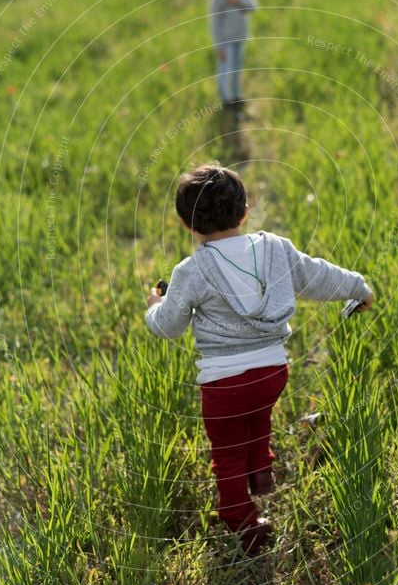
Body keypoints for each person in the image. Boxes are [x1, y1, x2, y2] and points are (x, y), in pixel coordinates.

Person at [145, 164, 374, 555]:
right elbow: (319, 276)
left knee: (227, 453)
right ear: (245, 210)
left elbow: (168, 326)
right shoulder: (276, 250)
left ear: (188, 224)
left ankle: (242, 520)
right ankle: (261, 471)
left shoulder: (191, 270)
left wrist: (155, 306)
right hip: (272, 373)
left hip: (223, 383)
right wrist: (359, 287)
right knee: (258, 417)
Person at [208, 0, 257, 113]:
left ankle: (236, 96)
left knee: (237, 69)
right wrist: (218, 46)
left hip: (239, 38)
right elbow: (214, 24)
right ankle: (227, 99)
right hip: (226, 42)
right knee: (227, 71)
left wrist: (237, 1)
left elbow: (253, 6)